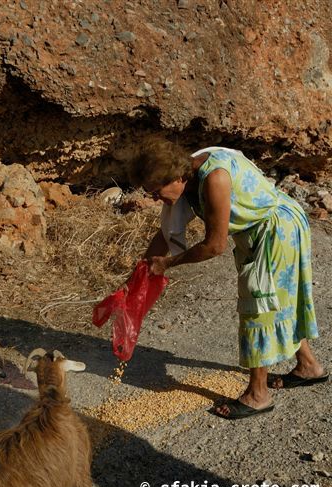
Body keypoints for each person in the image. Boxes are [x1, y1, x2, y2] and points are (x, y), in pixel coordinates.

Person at [130, 137, 328, 419]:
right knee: (279, 301)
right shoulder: (188, 172)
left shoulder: (214, 179)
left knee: (258, 307)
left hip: (274, 231)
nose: (153, 198)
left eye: (155, 191)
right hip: (265, 230)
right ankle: (308, 366)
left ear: (176, 177)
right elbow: (165, 234)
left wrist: (169, 264)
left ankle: (258, 395)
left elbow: (214, 246)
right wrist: (135, 278)